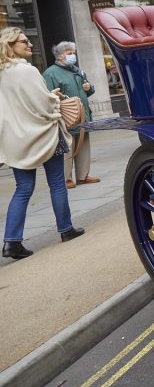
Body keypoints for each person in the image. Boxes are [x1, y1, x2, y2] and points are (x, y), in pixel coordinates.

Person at [1, 28, 85, 260]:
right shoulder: (27, 70)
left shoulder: (2, 73)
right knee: (57, 182)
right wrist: (54, 98)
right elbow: (43, 105)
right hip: (43, 135)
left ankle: (11, 242)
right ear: (10, 45)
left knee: (23, 189)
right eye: (24, 41)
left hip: (16, 139)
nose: (29, 44)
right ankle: (66, 229)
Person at [43, 41, 99, 189]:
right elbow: (48, 95)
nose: (73, 56)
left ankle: (82, 176)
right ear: (60, 56)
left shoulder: (77, 70)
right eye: (69, 53)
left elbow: (88, 89)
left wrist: (89, 88)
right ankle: (66, 178)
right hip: (66, 115)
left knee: (83, 143)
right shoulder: (51, 73)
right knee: (68, 146)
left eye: (73, 53)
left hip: (82, 114)